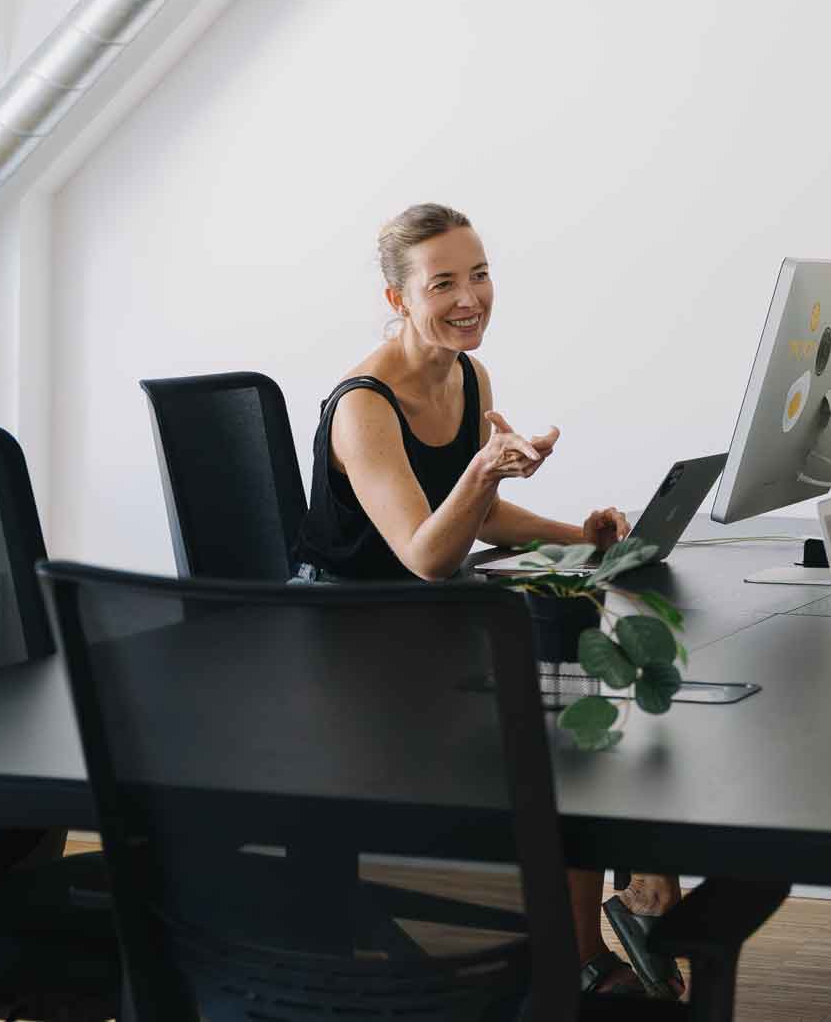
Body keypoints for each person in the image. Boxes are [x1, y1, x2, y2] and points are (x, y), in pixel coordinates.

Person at [290, 202, 683, 997]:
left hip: (426, 625)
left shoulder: (469, 376)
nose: (470, 297)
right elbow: (427, 551)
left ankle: (627, 905)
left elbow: (482, 516)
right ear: (399, 299)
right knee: (560, 711)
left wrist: (581, 533)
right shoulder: (364, 404)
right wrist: (484, 471)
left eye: (479, 274)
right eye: (444, 283)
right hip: (352, 642)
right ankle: (585, 942)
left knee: (585, 647)